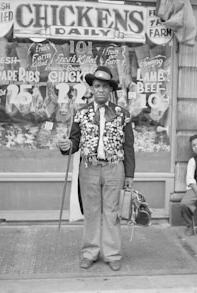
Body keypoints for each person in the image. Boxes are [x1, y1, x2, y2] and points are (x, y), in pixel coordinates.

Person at [57, 66, 135, 271]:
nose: (101, 90)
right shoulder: (80, 113)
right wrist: (67, 147)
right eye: (97, 86)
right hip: (88, 168)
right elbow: (74, 141)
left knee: (112, 212)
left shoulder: (122, 114)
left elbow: (129, 146)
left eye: (105, 87)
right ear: (91, 88)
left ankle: (112, 254)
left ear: (110, 90)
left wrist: (130, 174)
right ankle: (90, 252)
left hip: (114, 168)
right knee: (91, 212)